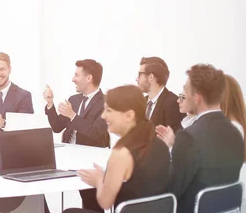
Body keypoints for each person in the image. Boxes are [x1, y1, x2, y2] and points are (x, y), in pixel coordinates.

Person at [63, 85, 171, 213]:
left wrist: (98, 180)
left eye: (108, 111)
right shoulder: (161, 145)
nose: (103, 116)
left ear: (129, 116)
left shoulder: (121, 154)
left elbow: (105, 202)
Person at [160, 64, 244, 213]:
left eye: (185, 91)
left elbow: (170, 191)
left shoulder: (188, 137)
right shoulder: (235, 132)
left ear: (197, 97)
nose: (181, 98)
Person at [44, 59, 109, 212]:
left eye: (76, 75)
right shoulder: (74, 99)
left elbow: (96, 133)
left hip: (90, 160)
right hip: (69, 158)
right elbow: (57, 127)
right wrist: (50, 104)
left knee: (91, 203)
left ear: (89, 78)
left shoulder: (106, 102)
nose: (73, 79)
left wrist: (73, 116)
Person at [136, 57, 185, 131]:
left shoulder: (173, 104)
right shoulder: (141, 103)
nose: (136, 79)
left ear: (151, 77)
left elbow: (175, 139)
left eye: (139, 75)